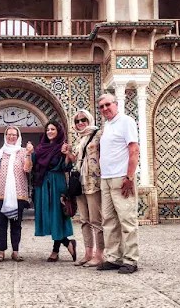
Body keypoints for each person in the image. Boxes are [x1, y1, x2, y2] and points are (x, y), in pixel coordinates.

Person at [97, 93, 140, 274]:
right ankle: (114, 258)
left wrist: (129, 177)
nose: (105, 109)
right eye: (102, 106)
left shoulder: (126, 122)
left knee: (127, 219)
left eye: (108, 105)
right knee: (109, 220)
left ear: (116, 104)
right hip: (106, 179)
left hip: (121, 178)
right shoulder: (107, 125)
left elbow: (134, 149)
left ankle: (131, 260)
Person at [29, 120, 76, 262]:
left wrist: (67, 154)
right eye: (48, 129)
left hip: (57, 182)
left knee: (57, 215)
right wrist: (29, 153)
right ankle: (68, 242)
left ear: (58, 131)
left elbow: (67, 167)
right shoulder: (40, 148)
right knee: (47, 216)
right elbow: (33, 164)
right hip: (42, 184)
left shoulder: (62, 146)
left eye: (52, 129)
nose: (49, 132)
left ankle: (55, 250)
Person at [0, 126, 32, 262]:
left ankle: (15, 252)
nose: (11, 137)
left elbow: (27, 169)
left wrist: (29, 153)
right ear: (5, 136)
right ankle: (1, 252)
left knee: (16, 224)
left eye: (14, 135)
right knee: (0, 224)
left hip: (18, 194)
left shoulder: (23, 152)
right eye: (9, 134)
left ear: (18, 137)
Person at [70, 109, 104, 267]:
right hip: (81, 183)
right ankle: (88, 253)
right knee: (84, 220)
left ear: (89, 119)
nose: (80, 123)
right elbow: (77, 161)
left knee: (96, 220)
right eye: (77, 121)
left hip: (94, 182)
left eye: (83, 119)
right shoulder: (79, 139)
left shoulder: (99, 135)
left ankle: (100, 254)